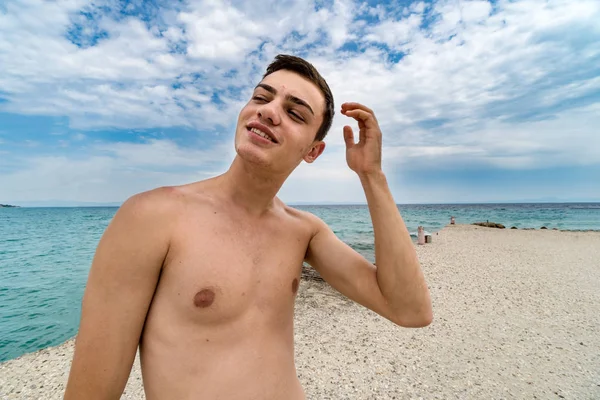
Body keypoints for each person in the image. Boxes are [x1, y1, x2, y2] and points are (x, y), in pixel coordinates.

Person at [64, 54, 432, 400]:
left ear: (313, 152)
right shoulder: (152, 216)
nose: (269, 111)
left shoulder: (304, 232)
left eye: (294, 113)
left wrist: (372, 176)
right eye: (261, 96)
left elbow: (410, 311)